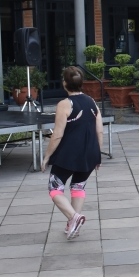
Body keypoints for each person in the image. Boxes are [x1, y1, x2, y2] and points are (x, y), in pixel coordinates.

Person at [41, 67, 104, 240]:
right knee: (78, 187)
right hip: (90, 153)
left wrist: (47, 156)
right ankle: (73, 225)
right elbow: (99, 131)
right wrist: (97, 154)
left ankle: (73, 217)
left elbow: (57, 134)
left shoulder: (65, 104)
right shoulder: (92, 101)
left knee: (54, 188)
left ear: (64, 83)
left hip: (69, 154)